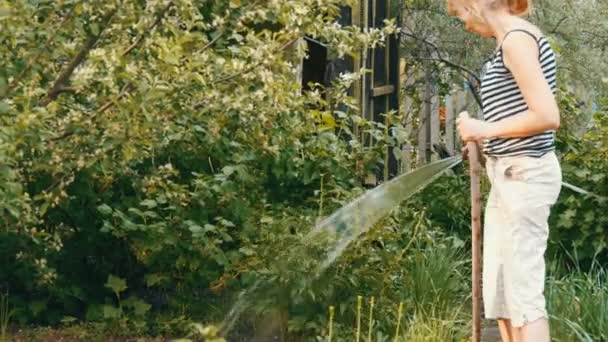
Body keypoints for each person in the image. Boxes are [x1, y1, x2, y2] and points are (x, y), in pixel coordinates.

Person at [448, 1, 562, 341]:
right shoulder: (506, 43)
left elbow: (546, 116)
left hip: (524, 178)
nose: (464, 24)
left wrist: (482, 129)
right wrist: (481, 141)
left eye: (462, 14)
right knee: (500, 297)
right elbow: (513, 121)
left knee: (523, 299)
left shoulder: (516, 39)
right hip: (507, 177)